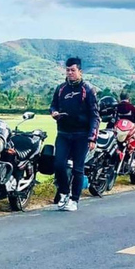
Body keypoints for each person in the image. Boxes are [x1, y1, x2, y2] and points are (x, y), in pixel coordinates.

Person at [50, 57, 99, 212]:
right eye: (68, 70)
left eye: (73, 70)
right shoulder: (61, 89)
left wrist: (92, 137)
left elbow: (95, 116)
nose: (70, 73)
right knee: (58, 164)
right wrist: (54, 113)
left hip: (81, 135)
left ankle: (74, 200)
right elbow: (53, 106)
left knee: (78, 169)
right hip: (63, 133)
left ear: (80, 71)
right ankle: (64, 193)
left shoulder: (88, 90)